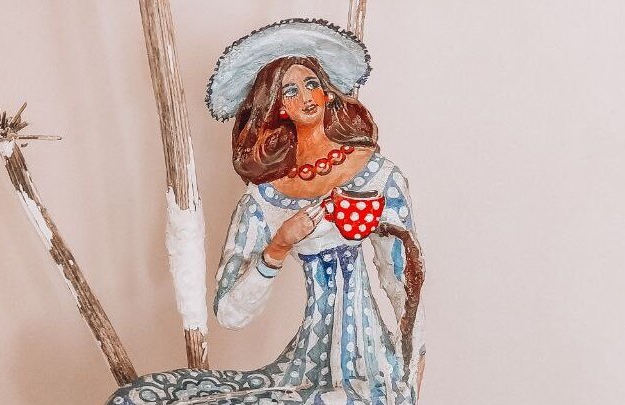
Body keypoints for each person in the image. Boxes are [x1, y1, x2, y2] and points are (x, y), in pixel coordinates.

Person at [108, 19, 426, 405]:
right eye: (290, 90)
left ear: (327, 91)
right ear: (278, 107)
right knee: (140, 399)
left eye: (311, 83)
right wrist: (278, 246)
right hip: (305, 363)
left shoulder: (377, 174)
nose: (305, 96)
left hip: (374, 366)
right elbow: (230, 312)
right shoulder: (264, 200)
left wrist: (412, 368)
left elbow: (404, 281)